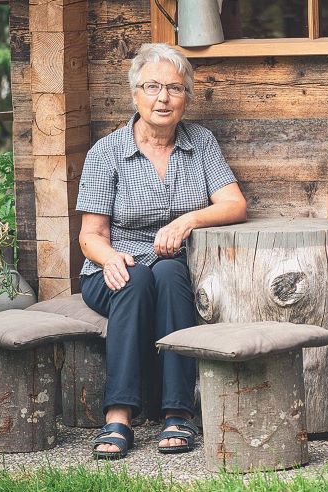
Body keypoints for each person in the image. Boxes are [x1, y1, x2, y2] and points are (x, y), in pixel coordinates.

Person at [77, 43, 247, 459]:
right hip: (114, 271)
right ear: (134, 94)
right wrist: (110, 257)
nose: (163, 97)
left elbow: (234, 204)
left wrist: (188, 220)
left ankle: (178, 413)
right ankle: (118, 415)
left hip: (171, 270)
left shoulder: (200, 144)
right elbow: (90, 235)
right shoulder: (107, 152)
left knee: (171, 273)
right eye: (151, 87)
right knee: (136, 280)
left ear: (186, 96)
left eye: (173, 87)